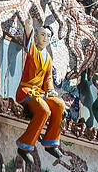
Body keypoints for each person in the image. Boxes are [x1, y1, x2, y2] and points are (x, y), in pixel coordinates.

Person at [15, 25, 65, 163]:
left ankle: (51, 142)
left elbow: (48, 78)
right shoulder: (33, 50)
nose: (45, 38)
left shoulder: (48, 57)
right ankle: (25, 146)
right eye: (42, 34)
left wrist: (50, 90)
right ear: (37, 35)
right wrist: (28, 27)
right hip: (26, 90)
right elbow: (28, 43)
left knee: (60, 105)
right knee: (44, 109)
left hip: (40, 92)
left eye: (48, 36)